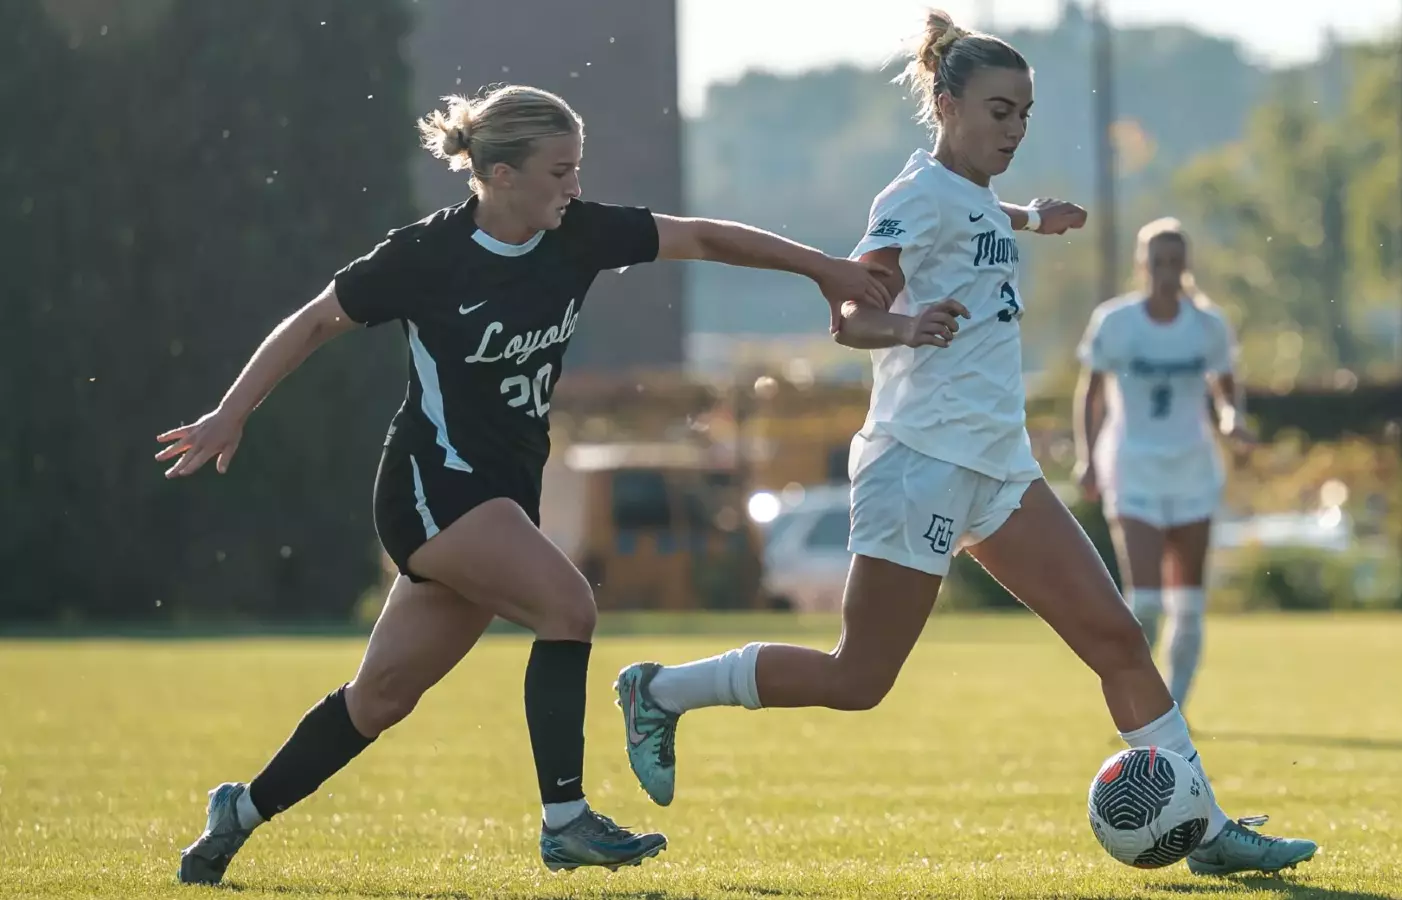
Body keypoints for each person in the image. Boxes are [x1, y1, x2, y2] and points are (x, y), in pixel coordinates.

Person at [610, 12, 1317, 877]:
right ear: (944, 105)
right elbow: (848, 316)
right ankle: (661, 692)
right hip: (920, 463)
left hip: (999, 465)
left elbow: (972, 217)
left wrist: (1028, 217)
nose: (1015, 130)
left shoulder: (975, 195)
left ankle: (1204, 830)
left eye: (1024, 113)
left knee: (1119, 640)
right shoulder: (910, 197)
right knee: (858, 679)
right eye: (998, 112)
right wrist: (904, 326)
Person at [156, 83, 894, 884]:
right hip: (430, 488)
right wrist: (232, 412)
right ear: (499, 175)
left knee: (381, 698)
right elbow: (311, 323)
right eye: (559, 171)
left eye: (578, 168)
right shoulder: (424, 256)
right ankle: (566, 820)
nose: (574, 187)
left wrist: (825, 270)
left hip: (499, 498)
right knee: (568, 606)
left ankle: (239, 813)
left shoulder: (577, 235)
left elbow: (706, 238)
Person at [1073, 217, 1251, 715]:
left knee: (1188, 606)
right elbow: (1091, 391)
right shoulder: (1116, 322)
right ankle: (1137, 698)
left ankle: (1173, 710)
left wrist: (1234, 420)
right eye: (1158, 263)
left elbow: (1225, 387)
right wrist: (1088, 458)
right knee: (1146, 601)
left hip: (1193, 469)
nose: (1167, 272)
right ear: (1142, 266)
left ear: (1186, 267)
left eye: (1176, 263)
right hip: (1133, 468)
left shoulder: (1208, 325)